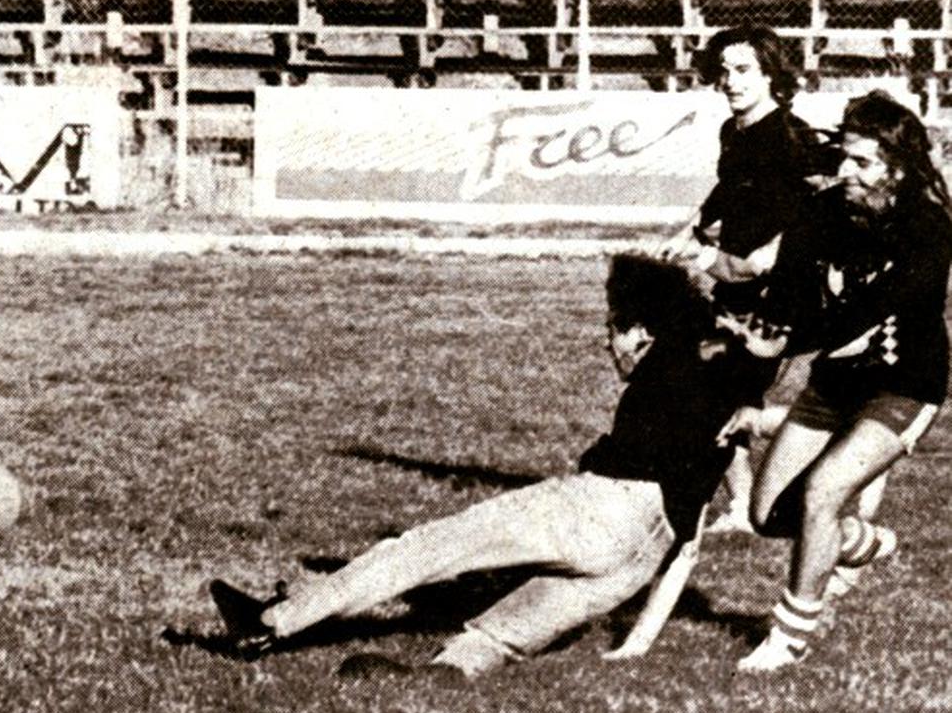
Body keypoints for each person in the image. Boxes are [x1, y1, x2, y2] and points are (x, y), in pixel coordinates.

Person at [209, 255, 787, 679]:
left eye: (612, 328)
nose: (608, 344)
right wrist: (637, 642)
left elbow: (724, 341)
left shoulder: (673, 358)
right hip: (644, 553)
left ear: (641, 330)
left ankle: (271, 621)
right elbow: (687, 543)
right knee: (499, 636)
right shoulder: (722, 381)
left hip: (601, 506)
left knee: (424, 548)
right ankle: (441, 678)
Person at [727, 90, 952, 671]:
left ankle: (787, 637)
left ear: (896, 170)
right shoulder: (823, 212)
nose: (846, 172)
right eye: (844, 158)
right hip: (835, 382)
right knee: (766, 513)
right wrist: (769, 329)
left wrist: (797, 338)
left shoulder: (928, 224)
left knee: (824, 492)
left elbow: (881, 304)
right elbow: (792, 289)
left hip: (906, 384)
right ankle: (864, 544)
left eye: (863, 163)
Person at [661, 24, 836, 533]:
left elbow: (828, 201)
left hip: (776, 295)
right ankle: (745, 505)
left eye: (743, 71)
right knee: (722, 391)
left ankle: (796, 486)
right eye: (723, 72)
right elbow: (726, 191)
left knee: (720, 391)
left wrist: (776, 250)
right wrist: (689, 228)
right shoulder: (733, 132)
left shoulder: (790, 137)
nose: (730, 82)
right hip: (734, 281)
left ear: (771, 76)